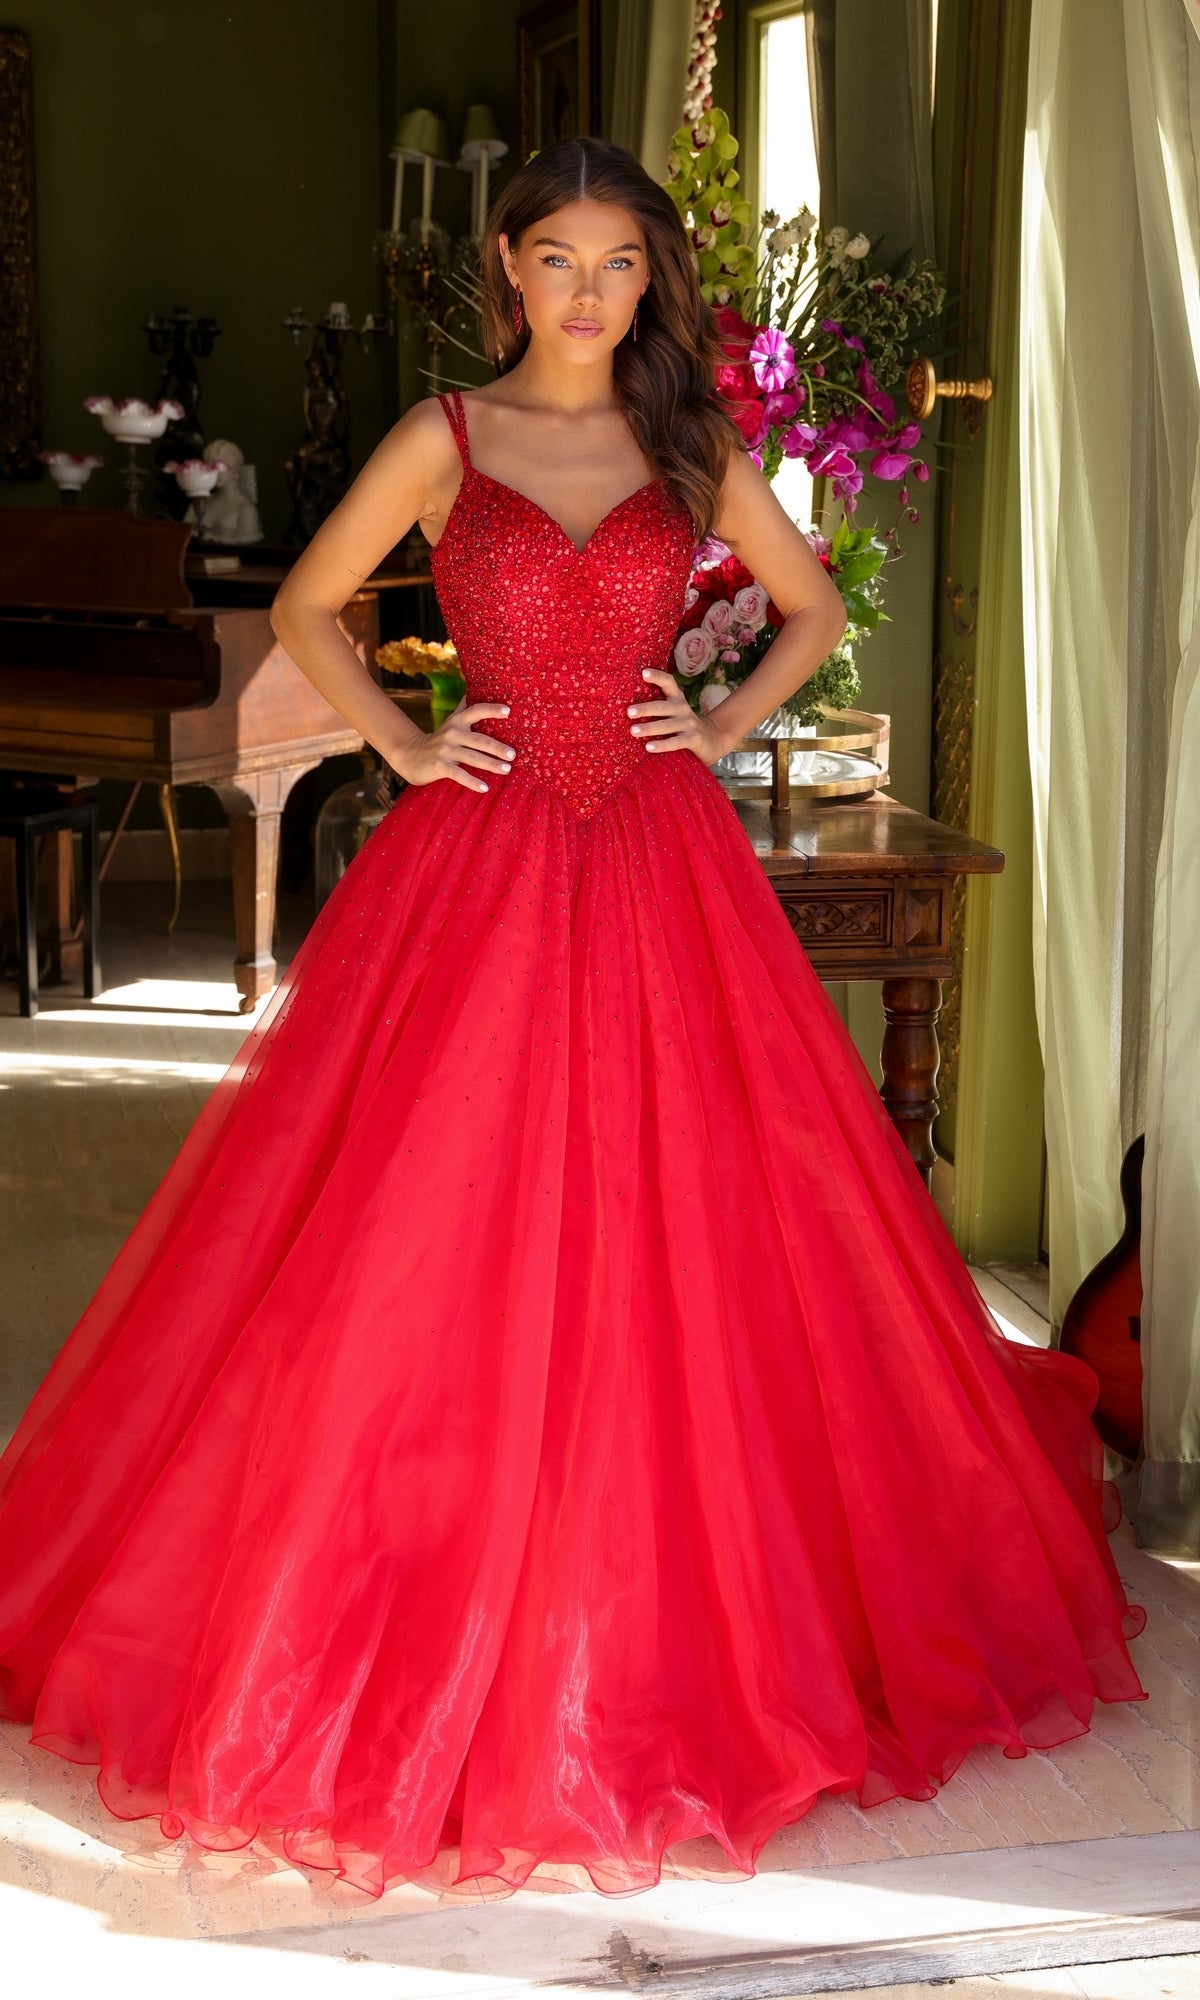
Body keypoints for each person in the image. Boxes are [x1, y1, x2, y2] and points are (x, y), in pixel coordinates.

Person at [0, 136, 1147, 1903]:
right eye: (560, 260)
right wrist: (405, 744)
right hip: (481, 859)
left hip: (663, 857)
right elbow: (306, 607)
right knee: (433, 1222)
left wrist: (724, 721)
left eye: (621, 263)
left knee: (697, 1219)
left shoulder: (690, 443)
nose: (591, 293)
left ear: (649, 278)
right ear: (509, 267)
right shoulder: (446, 438)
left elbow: (809, 604)